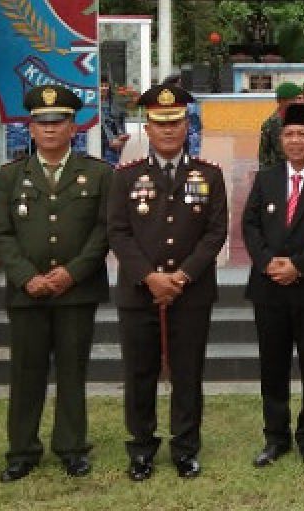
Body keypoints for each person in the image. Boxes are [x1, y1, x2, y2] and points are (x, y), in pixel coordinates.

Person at [107, 83, 229, 481]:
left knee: (188, 372)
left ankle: (185, 448)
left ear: (186, 125)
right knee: (139, 372)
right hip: (138, 290)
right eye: (160, 124)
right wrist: (150, 276)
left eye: (175, 122)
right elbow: (118, 232)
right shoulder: (126, 177)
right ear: (147, 126)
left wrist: (182, 275)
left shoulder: (208, 175)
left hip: (190, 290)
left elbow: (215, 232)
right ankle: (141, 448)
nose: (168, 131)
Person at [0, 85, 113, 482]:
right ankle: (22, 450)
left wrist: (71, 273)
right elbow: (2, 234)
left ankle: (72, 447)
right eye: (41, 122)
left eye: (57, 121)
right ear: (29, 127)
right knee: (26, 372)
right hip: (28, 292)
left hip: (77, 290)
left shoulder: (97, 173)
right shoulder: (11, 176)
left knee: (73, 371)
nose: (49, 129)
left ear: (72, 127)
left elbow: (103, 230)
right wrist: (28, 277)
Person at [242, 103, 304, 469]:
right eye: (289, 134)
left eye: (303, 134)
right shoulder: (266, 178)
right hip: (269, 287)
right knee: (273, 365)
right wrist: (268, 262)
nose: (295, 140)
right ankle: (275, 437)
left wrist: (297, 266)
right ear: (280, 139)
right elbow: (249, 225)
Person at [259, 82, 303, 169]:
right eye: (295, 99)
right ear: (282, 101)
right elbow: (264, 155)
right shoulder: (270, 125)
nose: (300, 102)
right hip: (280, 173)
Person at [100, 77, 130, 166]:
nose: (104, 88)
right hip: (102, 143)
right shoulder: (92, 105)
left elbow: (120, 121)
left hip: (115, 145)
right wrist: (111, 140)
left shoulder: (114, 103)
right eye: (101, 86)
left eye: (106, 86)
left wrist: (122, 136)